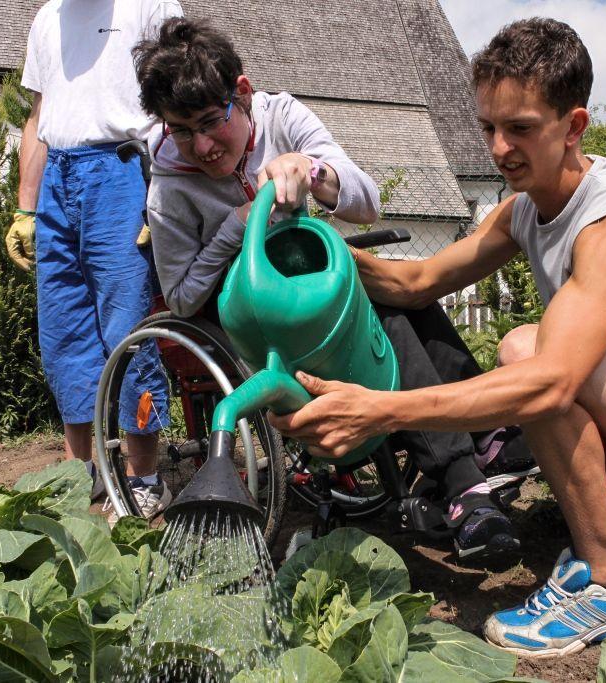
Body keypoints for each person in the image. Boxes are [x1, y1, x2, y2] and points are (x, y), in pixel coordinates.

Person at [269, 18, 606, 657]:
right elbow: (419, 280)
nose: (500, 147)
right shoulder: (526, 206)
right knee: (527, 346)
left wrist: (380, 408)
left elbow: (555, 382)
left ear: (574, 126)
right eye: (488, 127)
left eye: (522, 128)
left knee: (539, 361)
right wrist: (317, 253)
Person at [131, 18, 534, 564]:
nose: (200, 145)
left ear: (242, 93)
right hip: (247, 325)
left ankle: (480, 434)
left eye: (210, 121)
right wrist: (239, 223)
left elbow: (367, 203)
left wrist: (315, 171)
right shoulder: (170, 188)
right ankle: (464, 479)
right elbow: (180, 297)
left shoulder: (283, 117)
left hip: (313, 288)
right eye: (181, 130)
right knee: (369, 310)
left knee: (399, 290)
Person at [6, 0, 183, 518]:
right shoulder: (47, 19)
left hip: (123, 173)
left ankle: (144, 481)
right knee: (63, 337)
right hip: (58, 179)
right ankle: (77, 480)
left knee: (128, 334)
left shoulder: (148, 6)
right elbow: (39, 117)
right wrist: (25, 206)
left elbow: (176, 101)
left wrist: (165, 189)